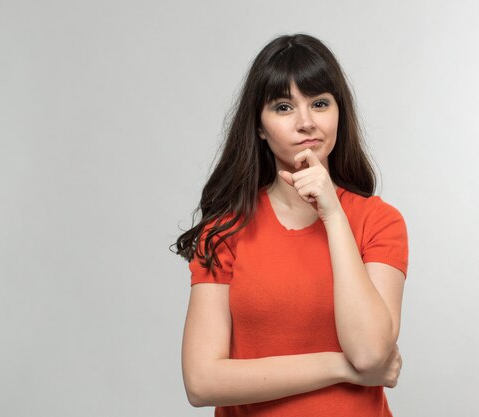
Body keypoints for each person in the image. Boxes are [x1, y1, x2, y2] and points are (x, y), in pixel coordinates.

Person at [175, 33, 409, 416]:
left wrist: (333, 214)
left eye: (320, 103)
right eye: (284, 107)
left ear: (339, 113)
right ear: (260, 128)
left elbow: (369, 352)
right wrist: (338, 367)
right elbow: (201, 383)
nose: (305, 122)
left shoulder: (378, 222)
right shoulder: (226, 231)